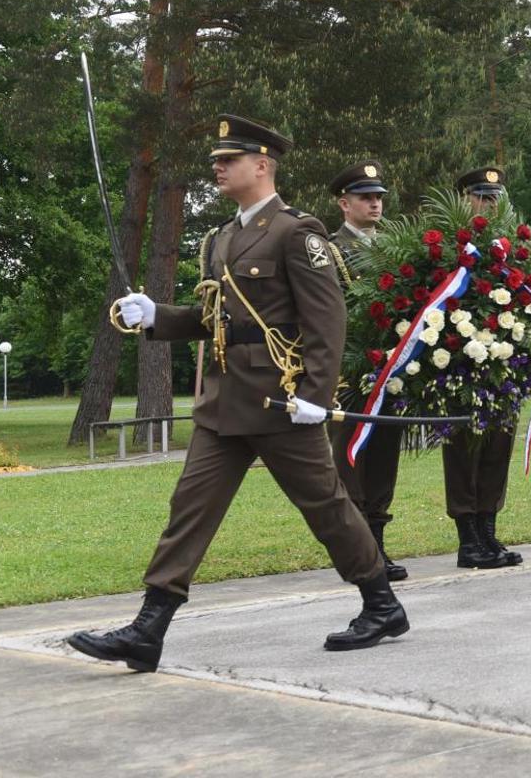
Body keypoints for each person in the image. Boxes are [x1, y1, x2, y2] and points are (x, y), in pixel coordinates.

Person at [68, 116, 408, 673]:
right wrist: (157, 317)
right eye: (216, 162)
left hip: (282, 402)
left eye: (229, 160)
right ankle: (148, 630)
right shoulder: (221, 238)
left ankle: (381, 603)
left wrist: (317, 396)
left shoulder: (297, 233)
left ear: (262, 164)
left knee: (325, 508)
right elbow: (215, 321)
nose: (218, 168)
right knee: (189, 511)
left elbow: (328, 322)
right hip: (224, 403)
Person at [326, 160, 407, 581]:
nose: (375, 204)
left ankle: (378, 547)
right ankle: (359, 554)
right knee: (351, 459)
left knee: (383, 457)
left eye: (378, 197)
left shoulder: (393, 246)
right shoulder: (329, 249)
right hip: (349, 369)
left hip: (390, 366)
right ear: (344, 203)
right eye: (365, 197)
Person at [443, 166, 522, 570]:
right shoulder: (450, 247)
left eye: (494, 197)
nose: (489, 204)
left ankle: (488, 531)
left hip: (504, 364)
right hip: (459, 365)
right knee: (463, 450)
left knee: (497, 447)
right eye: (481, 196)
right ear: (464, 200)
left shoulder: (508, 247)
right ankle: (467, 538)